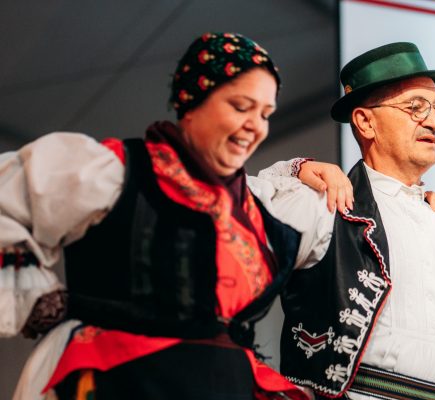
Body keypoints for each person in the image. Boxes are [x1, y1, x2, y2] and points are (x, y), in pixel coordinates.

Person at [0, 32, 314, 400]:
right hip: (118, 380)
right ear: (191, 102)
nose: (255, 125)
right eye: (241, 106)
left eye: (265, 114)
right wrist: (36, 298)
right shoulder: (118, 173)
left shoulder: (254, 213)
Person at [251, 42, 435, 400]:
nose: (433, 122)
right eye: (415, 107)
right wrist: (294, 169)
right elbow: (227, 204)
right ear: (365, 121)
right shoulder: (331, 204)